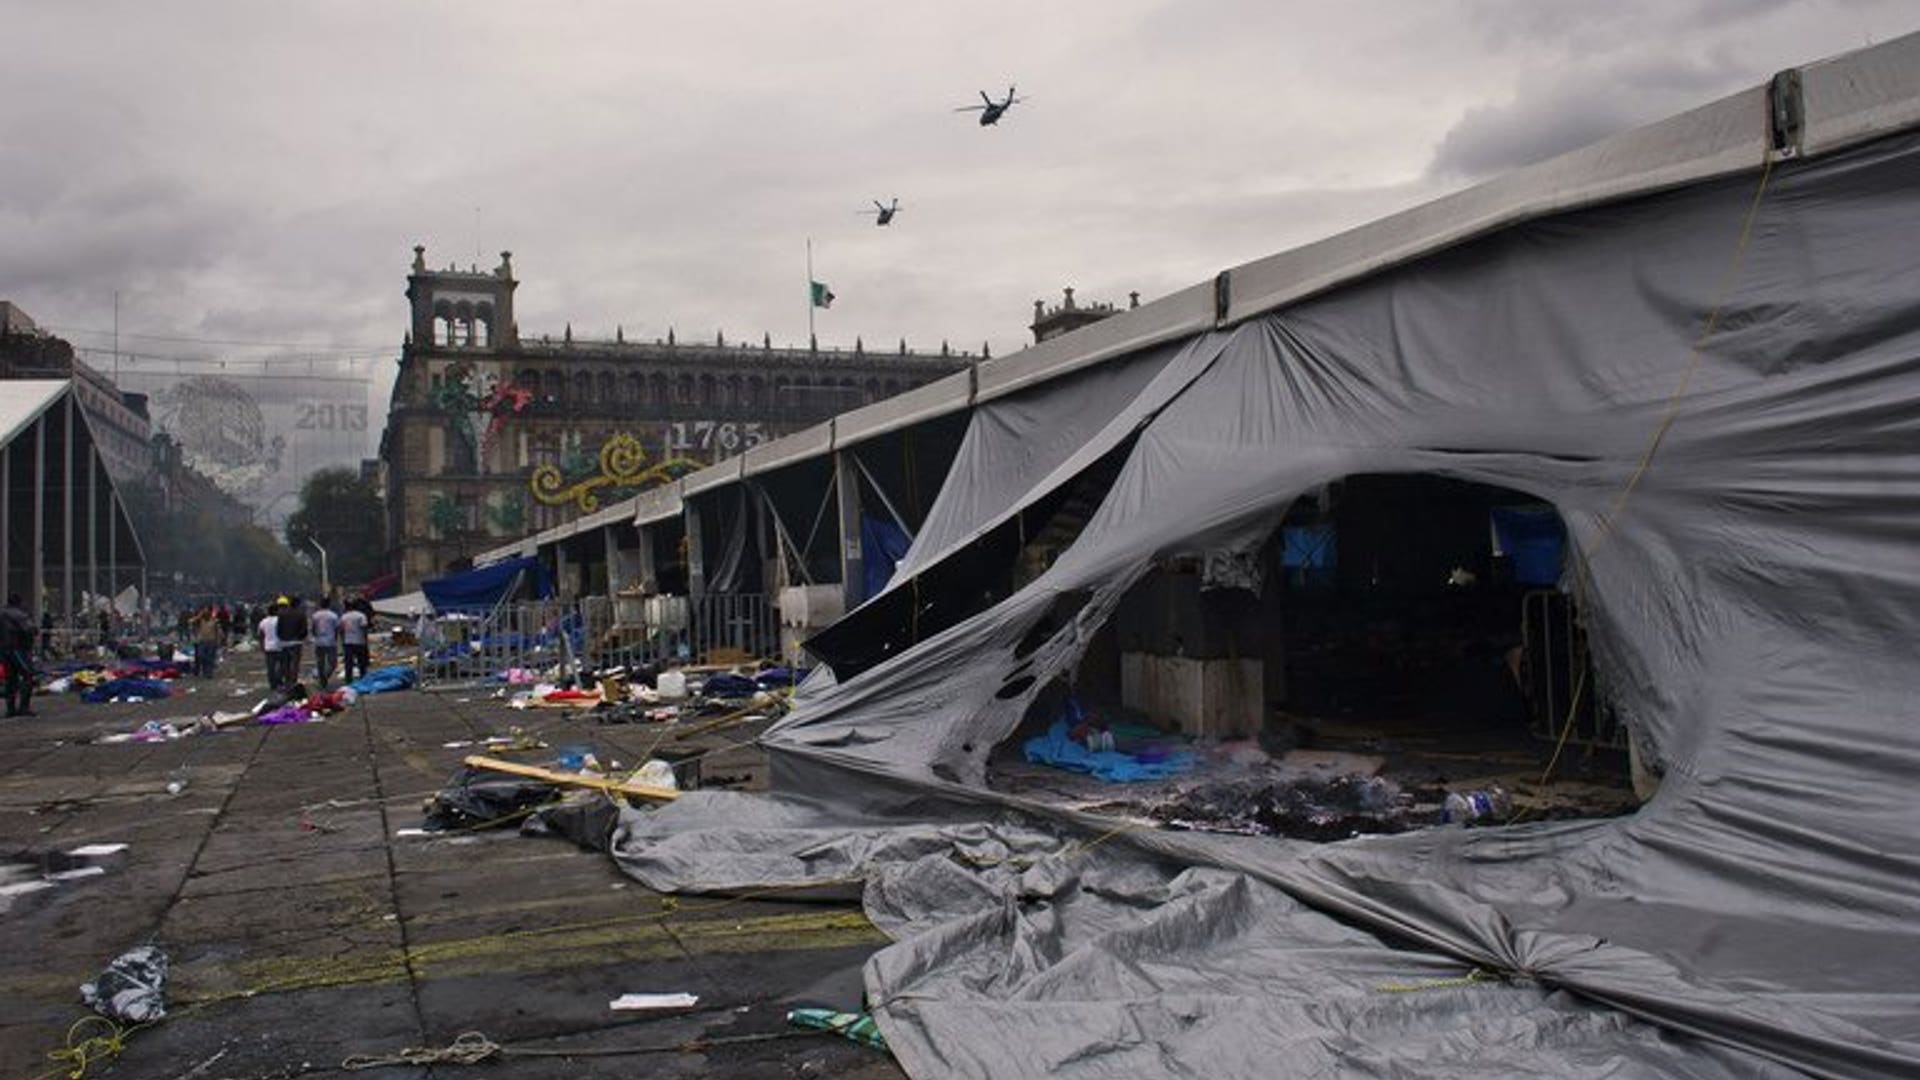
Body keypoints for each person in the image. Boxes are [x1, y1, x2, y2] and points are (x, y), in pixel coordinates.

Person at [2, 594, 37, 717]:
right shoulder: (19, 614)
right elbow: (30, 629)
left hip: (5, 650)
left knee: (10, 679)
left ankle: (10, 709)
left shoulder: (2, 613)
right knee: (28, 675)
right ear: (19, 602)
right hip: (18, 649)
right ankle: (24, 707)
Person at [275, 596, 309, 692]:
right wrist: (300, 637)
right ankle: (293, 683)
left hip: (284, 642)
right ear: (298, 604)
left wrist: (282, 638)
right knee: (295, 664)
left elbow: (278, 629)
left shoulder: (282, 614)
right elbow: (304, 629)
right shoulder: (301, 614)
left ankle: (287, 682)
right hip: (296, 642)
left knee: (285, 664)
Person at [310, 597, 340, 689]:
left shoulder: (315, 615)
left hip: (319, 642)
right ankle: (325, 676)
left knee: (320, 662)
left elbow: (313, 629)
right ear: (329, 604)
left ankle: (322, 679)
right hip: (330, 641)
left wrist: (315, 637)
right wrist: (335, 639)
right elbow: (336, 629)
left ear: (320, 604)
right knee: (333, 663)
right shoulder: (333, 615)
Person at [339, 599, 370, 684]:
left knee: (348, 663)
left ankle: (348, 680)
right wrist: (365, 640)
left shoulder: (343, 617)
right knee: (361, 662)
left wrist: (343, 640)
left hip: (348, 642)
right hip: (360, 641)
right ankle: (363, 678)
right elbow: (364, 628)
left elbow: (341, 630)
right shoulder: (361, 616)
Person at [258, 601, 283, 690]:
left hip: (268, 647)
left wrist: (262, 646)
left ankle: (272, 684)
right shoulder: (280, 620)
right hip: (280, 646)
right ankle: (278, 680)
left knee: (270, 667)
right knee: (281, 666)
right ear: (276, 611)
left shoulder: (263, 622)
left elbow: (261, 635)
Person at [193, 607, 222, 678]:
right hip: (202, 641)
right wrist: (199, 615)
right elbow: (191, 621)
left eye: (207, 614)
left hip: (211, 641)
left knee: (210, 658)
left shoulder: (214, 621)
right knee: (201, 655)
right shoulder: (201, 621)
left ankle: (209, 673)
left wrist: (218, 641)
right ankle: (205, 670)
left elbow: (218, 632)